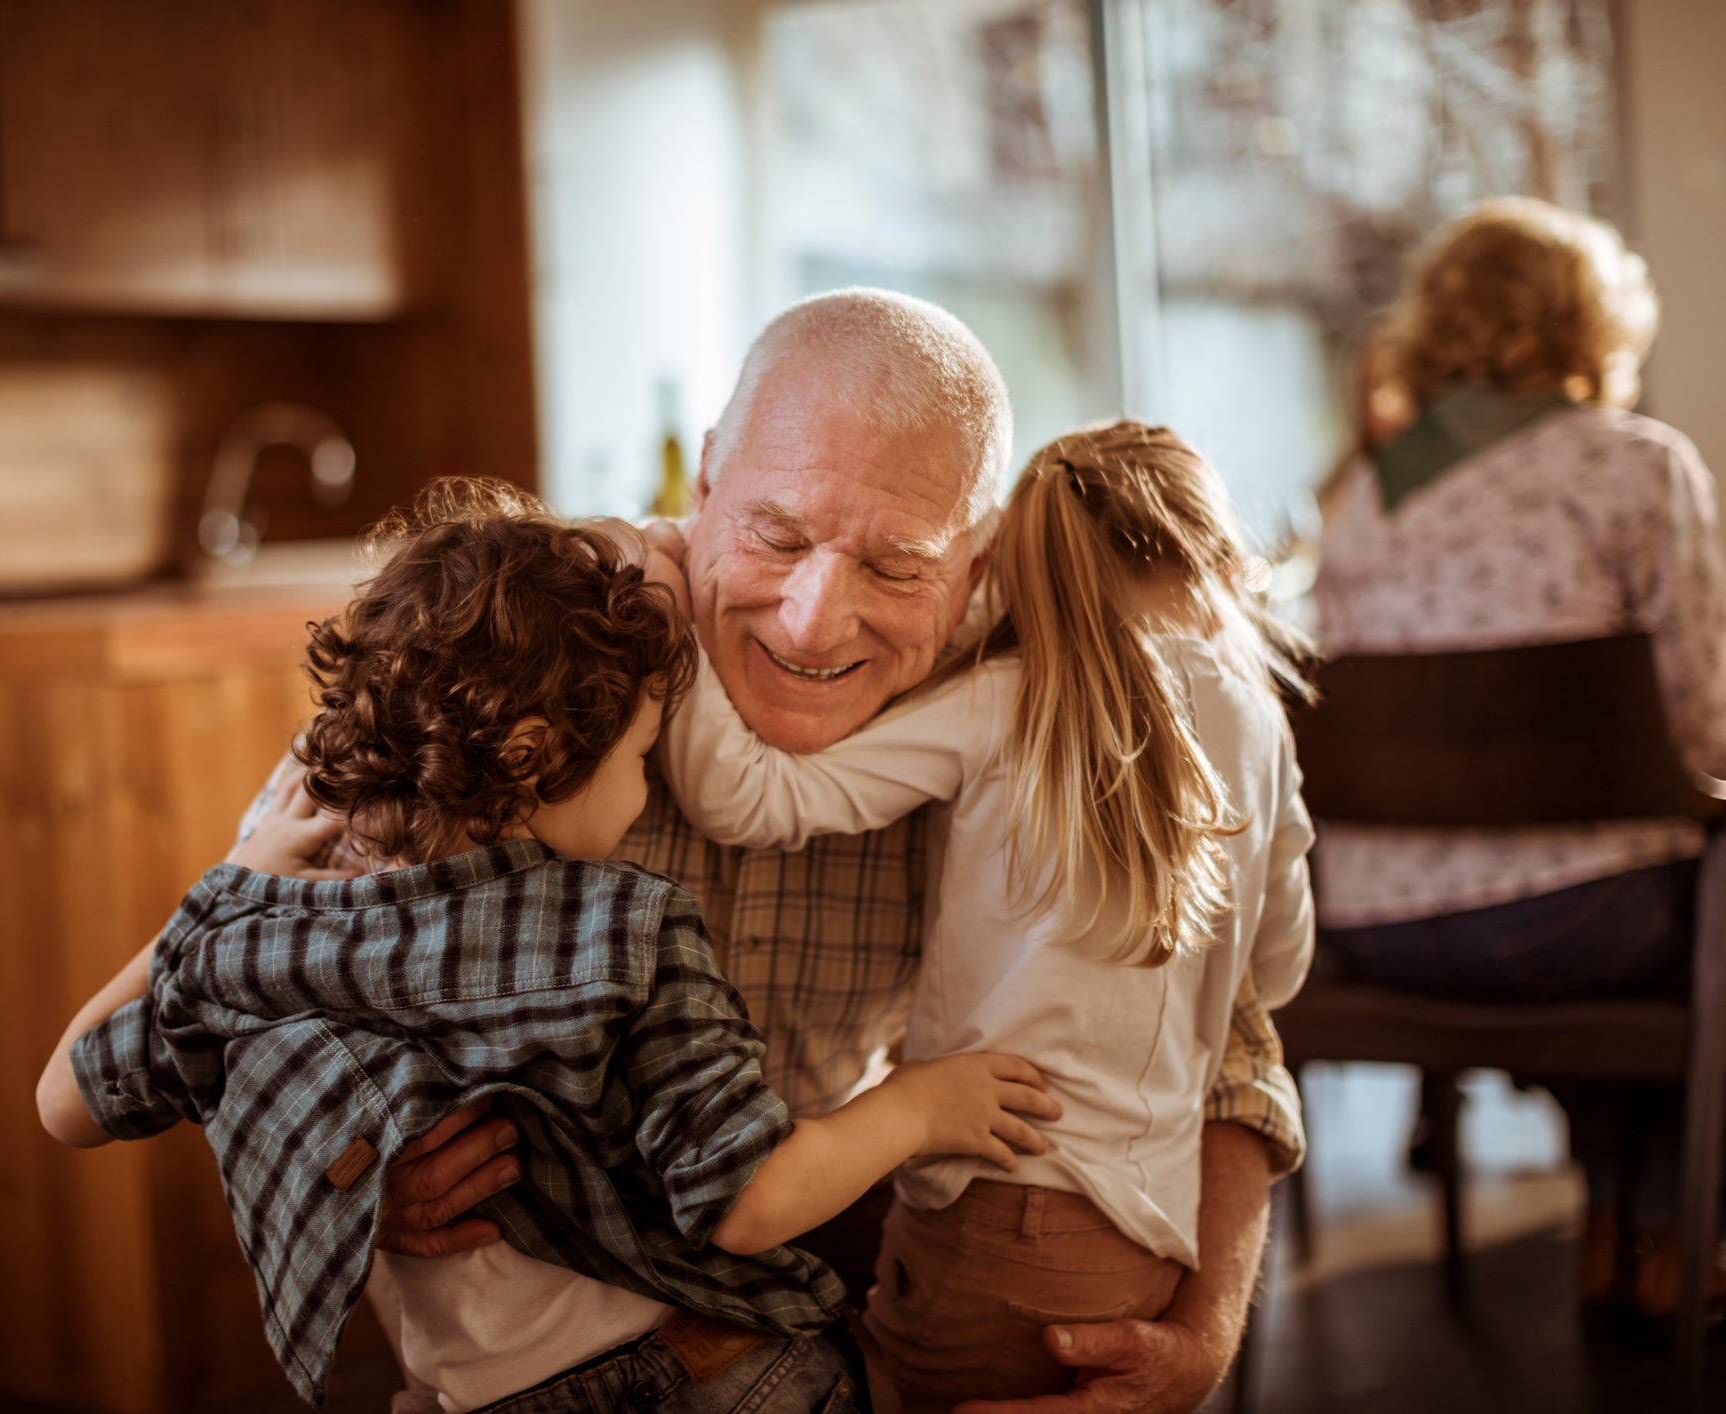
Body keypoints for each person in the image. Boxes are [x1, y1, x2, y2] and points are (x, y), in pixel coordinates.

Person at [257, 290, 1307, 1414]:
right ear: (705, 483)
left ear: (978, 560)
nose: (814, 621)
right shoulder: (525, 638)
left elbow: (1228, 1031)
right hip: (512, 1351)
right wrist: (354, 1169)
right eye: (779, 535)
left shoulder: (1022, 692)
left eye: (896, 566)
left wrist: (1198, 1335)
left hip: (819, 1286)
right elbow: (243, 971)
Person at [35, 479, 1061, 1412]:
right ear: (535, 757)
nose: (647, 787)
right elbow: (747, 1201)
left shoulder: (271, 928)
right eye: (642, 757)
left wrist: (228, 893)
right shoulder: (623, 929)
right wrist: (924, 1103)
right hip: (713, 1378)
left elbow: (65, 1101)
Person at [643, 421, 1315, 1408]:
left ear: (1007, 564)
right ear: (1217, 553)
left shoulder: (1007, 696)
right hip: (1146, 1232)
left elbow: (745, 798)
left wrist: (667, 593)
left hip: (988, 1205)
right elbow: (1280, 970)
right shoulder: (1260, 723)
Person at [1310, 197, 1726, 1318]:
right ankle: (1672, 1232)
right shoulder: (1638, 464)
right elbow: (1704, 728)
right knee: (1689, 898)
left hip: (1373, 927)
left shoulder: (1359, 498)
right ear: (1596, 326)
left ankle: (1624, 1221)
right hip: (1574, 924)